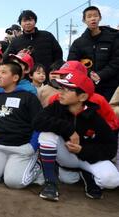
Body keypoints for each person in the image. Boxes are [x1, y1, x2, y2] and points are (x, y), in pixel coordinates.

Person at [34, 71, 119, 201]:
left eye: (67, 90)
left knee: (112, 180)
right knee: (47, 134)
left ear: (83, 97)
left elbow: (111, 148)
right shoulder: (57, 106)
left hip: (87, 158)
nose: (61, 92)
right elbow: (37, 121)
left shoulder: (95, 117)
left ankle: (88, 175)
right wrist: (69, 129)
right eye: (61, 88)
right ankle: (50, 183)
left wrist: (83, 150)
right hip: (66, 155)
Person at [0, 62, 42, 189]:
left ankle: (37, 167)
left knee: (13, 182)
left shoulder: (29, 97)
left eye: (3, 72)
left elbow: (39, 124)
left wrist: (32, 146)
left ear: (15, 78)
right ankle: (8, 167)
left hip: (21, 148)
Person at [67, 6, 119, 101]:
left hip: (111, 86)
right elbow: (72, 63)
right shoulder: (78, 43)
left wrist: (101, 75)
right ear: (84, 20)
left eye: (95, 15)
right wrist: (89, 73)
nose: (93, 18)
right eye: (89, 16)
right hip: (87, 87)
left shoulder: (113, 38)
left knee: (110, 113)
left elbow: (116, 61)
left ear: (100, 17)